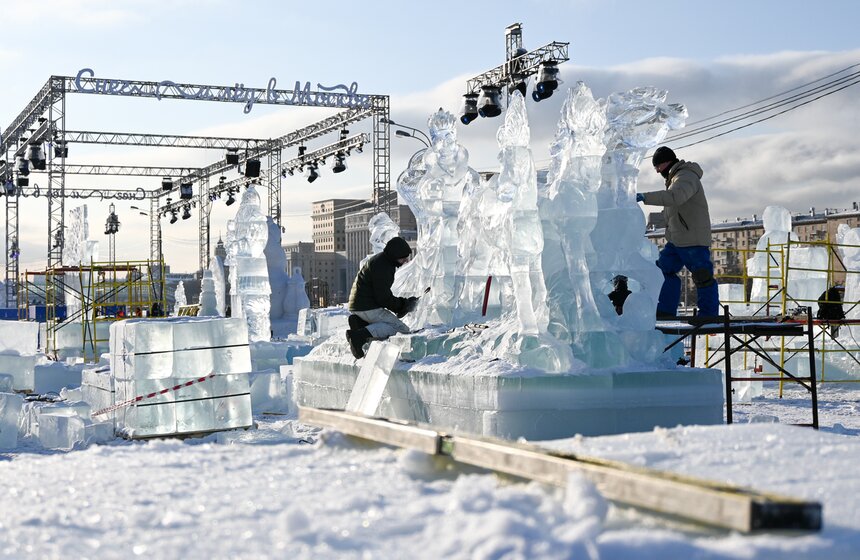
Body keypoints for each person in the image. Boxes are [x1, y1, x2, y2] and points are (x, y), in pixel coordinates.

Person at [637, 146, 719, 318]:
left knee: (702, 276)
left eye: (658, 166)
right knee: (662, 270)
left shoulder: (686, 176)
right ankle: (666, 310)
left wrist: (645, 197)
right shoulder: (675, 179)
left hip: (693, 239)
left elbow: (676, 197)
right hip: (677, 240)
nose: (657, 171)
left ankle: (708, 315)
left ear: (666, 162)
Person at [346, 236, 419, 359]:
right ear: (395, 255)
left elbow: (382, 294)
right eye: (403, 258)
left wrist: (402, 304)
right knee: (401, 330)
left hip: (360, 305)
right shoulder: (383, 266)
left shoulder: (382, 261)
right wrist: (402, 305)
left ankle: (361, 323)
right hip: (367, 307)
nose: (406, 261)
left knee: (389, 325)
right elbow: (383, 297)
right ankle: (359, 336)